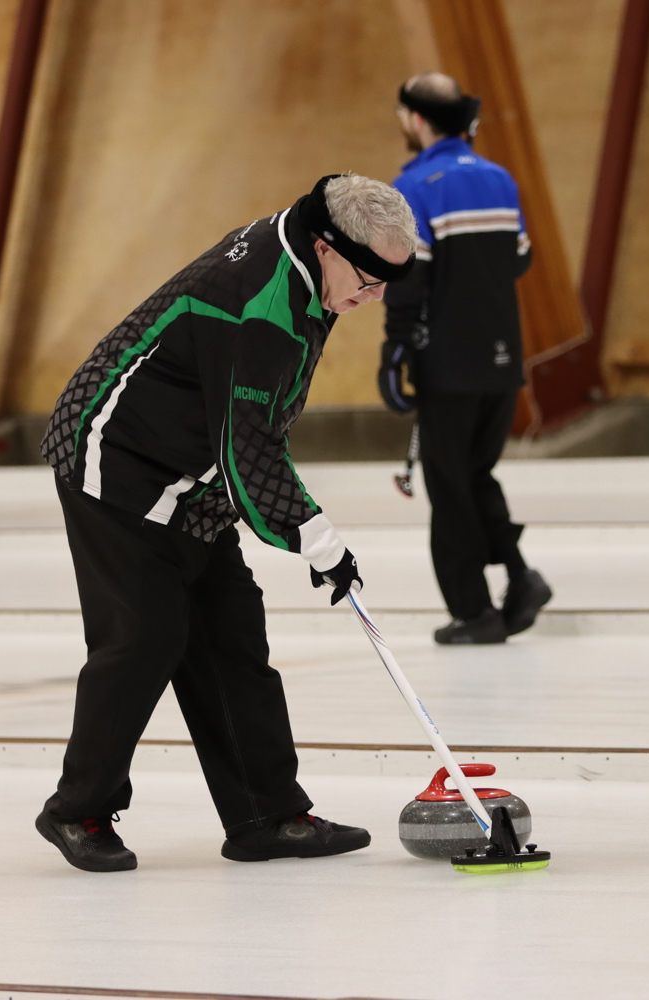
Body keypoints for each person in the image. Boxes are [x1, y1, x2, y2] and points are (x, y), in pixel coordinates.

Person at [35, 173, 416, 872]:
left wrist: (301, 528)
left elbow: (243, 435)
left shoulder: (309, 255)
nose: (376, 296)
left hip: (188, 474)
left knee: (232, 636)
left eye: (391, 281)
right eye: (369, 279)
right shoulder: (263, 303)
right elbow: (248, 447)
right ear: (328, 247)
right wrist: (316, 539)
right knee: (145, 638)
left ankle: (265, 817)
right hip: (117, 462)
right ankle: (77, 810)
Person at [380, 72, 552, 646]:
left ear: (417, 119)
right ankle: (520, 577)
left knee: (449, 485)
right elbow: (520, 260)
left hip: (446, 361)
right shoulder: (500, 179)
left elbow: (407, 280)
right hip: (503, 357)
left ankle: (473, 611)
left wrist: (394, 351)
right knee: (475, 474)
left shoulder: (414, 186)